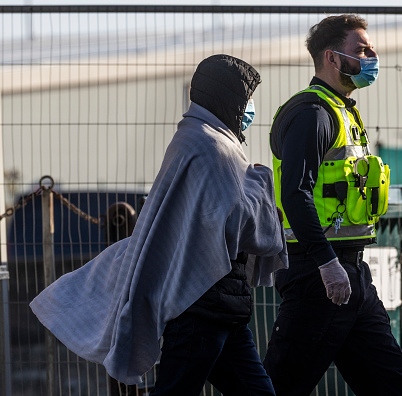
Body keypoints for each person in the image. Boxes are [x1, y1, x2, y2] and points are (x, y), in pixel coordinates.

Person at [30, 54, 287, 395]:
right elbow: (238, 220)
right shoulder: (210, 146)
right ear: (230, 98)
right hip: (201, 304)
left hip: (222, 304)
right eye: (247, 99)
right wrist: (260, 181)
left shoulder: (206, 139)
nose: (251, 107)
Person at [263, 15, 402, 396]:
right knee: (279, 387)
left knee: (395, 385)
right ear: (331, 58)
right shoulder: (311, 113)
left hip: (352, 275)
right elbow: (295, 193)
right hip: (318, 275)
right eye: (361, 49)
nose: (372, 56)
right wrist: (327, 264)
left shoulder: (344, 111)